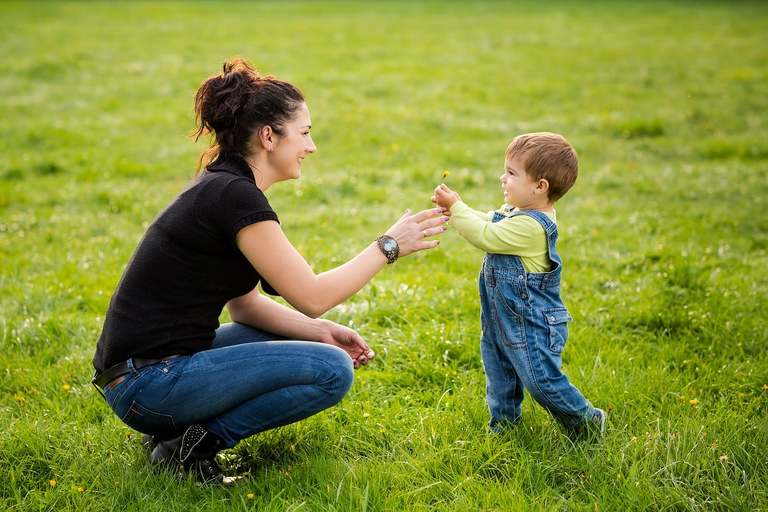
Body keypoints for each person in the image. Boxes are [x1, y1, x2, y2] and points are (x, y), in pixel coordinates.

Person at [91, 58, 449, 484]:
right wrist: (388, 246)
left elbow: (244, 307)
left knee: (305, 342)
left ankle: (175, 435)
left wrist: (319, 331)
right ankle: (188, 447)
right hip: (148, 384)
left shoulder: (226, 187)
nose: (311, 147)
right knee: (332, 370)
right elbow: (312, 296)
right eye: (305, 133)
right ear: (268, 137)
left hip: (142, 375)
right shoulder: (235, 197)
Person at [431, 132, 605, 438]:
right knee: (500, 376)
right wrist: (457, 210)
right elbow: (487, 221)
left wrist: (457, 208)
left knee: (541, 381)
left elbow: (487, 236)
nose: (502, 178)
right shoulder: (517, 213)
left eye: (511, 173)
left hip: (532, 325)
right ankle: (504, 426)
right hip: (501, 321)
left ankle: (586, 419)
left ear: (540, 187)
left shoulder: (533, 226)